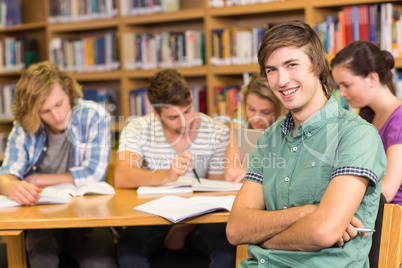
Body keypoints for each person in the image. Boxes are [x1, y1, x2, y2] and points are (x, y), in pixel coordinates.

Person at [226, 20, 387, 267]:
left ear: (318, 65)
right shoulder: (268, 139)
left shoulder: (357, 136)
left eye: (292, 65)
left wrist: (261, 240)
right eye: (271, 70)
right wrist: (309, 211)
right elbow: (236, 230)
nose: (281, 81)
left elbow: (324, 231)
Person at [0, 62, 117, 268]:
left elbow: (94, 174)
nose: (56, 116)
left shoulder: (93, 115)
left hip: (86, 214)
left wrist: (37, 180)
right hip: (41, 217)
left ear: (67, 89)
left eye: (59, 104)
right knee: (42, 259)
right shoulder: (24, 126)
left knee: (100, 261)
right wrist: (12, 186)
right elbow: (7, 174)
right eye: (45, 111)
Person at [114, 69, 235, 268]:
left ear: (191, 97)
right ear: (156, 113)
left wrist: (182, 229)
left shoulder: (218, 132)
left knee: (226, 251)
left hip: (202, 219)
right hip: (152, 217)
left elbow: (217, 193)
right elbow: (122, 176)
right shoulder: (137, 129)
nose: (184, 121)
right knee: (128, 251)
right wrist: (168, 175)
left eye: (187, 110)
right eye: (173, 117)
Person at [331, 40, 402, 204]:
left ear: (372, 78)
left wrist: (338, 201)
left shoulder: (399, 119)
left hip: (391, 221)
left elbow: (387, 190)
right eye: (339, 86)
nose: (341, 93)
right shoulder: (367, 116)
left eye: (346, 85)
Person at [224, 72, 285, 182]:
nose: (256, 119)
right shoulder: (240, 121)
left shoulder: (286, 124)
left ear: (278, 110)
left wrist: (250, 173)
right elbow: (230, 174)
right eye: (251, 109)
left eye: (265, 112)